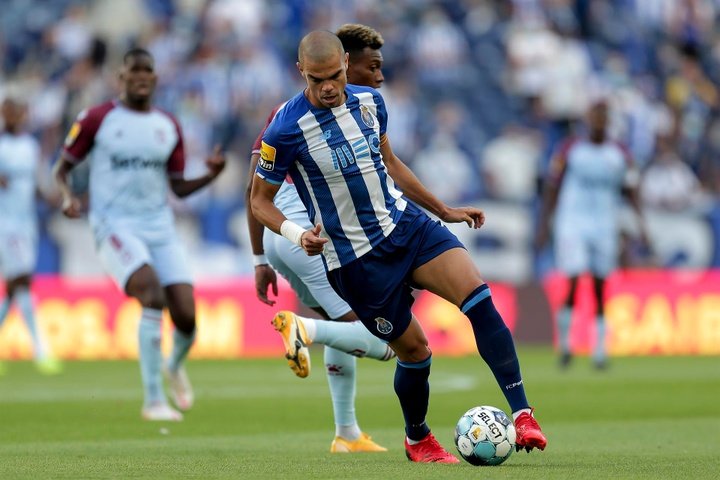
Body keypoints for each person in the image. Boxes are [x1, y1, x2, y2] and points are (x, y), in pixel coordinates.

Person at [251, 30, 547, 463]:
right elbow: (259, 199)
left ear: (345, 66)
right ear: (301, 73)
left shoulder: (370, 102)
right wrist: (297, 235)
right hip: (356, 261)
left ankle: (523, 413)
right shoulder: (285, 129)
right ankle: (417, 438)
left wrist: (442, 209)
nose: (328, 87)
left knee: (479, 300)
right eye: (317, 80)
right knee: (415, 352)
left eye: (334, 76)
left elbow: (390, 163)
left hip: (406, 226)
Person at [53, 48, 226, 421]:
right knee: (151, 292)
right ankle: (153, 400)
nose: (141, 77)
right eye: (134, 71)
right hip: (114, 225)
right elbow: (62, 168)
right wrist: (68, 198)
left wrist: (211, 175)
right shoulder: (98, 118)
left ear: (156, 79)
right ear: (121, 77)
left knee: (187, 316)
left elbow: (177, 188)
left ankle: (173, 365)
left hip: (159, 227)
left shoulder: (168, 126)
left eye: (148, 71)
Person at [246, 24, 395, 453]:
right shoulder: (292, 118)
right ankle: (302, 329)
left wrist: (261, 257)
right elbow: (256, 190)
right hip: (305, 236)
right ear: (342, 61)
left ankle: (346, 432)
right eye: (372, 67)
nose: (378, 77)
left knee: (339, 327)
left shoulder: (355, 112)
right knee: (384, 339)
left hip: (286, 240)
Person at [536, 100, 649, 370]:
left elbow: (631, 190)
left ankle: (599, 350)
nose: (598, 122)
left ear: (607, 121)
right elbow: (553, 186)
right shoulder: (570, 149)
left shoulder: (620, 153)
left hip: (604, 224)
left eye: (603, 117)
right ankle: (565, 345)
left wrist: (642, 225)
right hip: (572, 222)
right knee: (573, 280)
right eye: (595, 116)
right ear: (588, 120)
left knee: (600, 286)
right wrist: (544, 223)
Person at [0, 97, 62, 375]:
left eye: (18, 111)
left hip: (27, 224)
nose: (14, 116)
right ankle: (40, 350)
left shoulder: (29, 146)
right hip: (6, 223)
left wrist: (52, 198)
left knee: (16, 287)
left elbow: (35, 184)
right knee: (22, 281)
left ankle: (39, 349)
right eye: (9, 112)